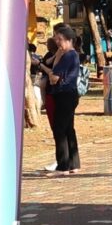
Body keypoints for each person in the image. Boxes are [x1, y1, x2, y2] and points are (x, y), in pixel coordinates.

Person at [32, 31, 82, 174]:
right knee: (68, 129)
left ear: (69, 40)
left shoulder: (69, 56)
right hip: (69, 94)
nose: (57, 42)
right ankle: (73, 164)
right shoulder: (70, 55)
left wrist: (51, 68)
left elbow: (54, 77)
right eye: (56, 39)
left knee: (60, 130)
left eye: (60, 39)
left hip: (64, 94)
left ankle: (63, 166)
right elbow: (52, 67)